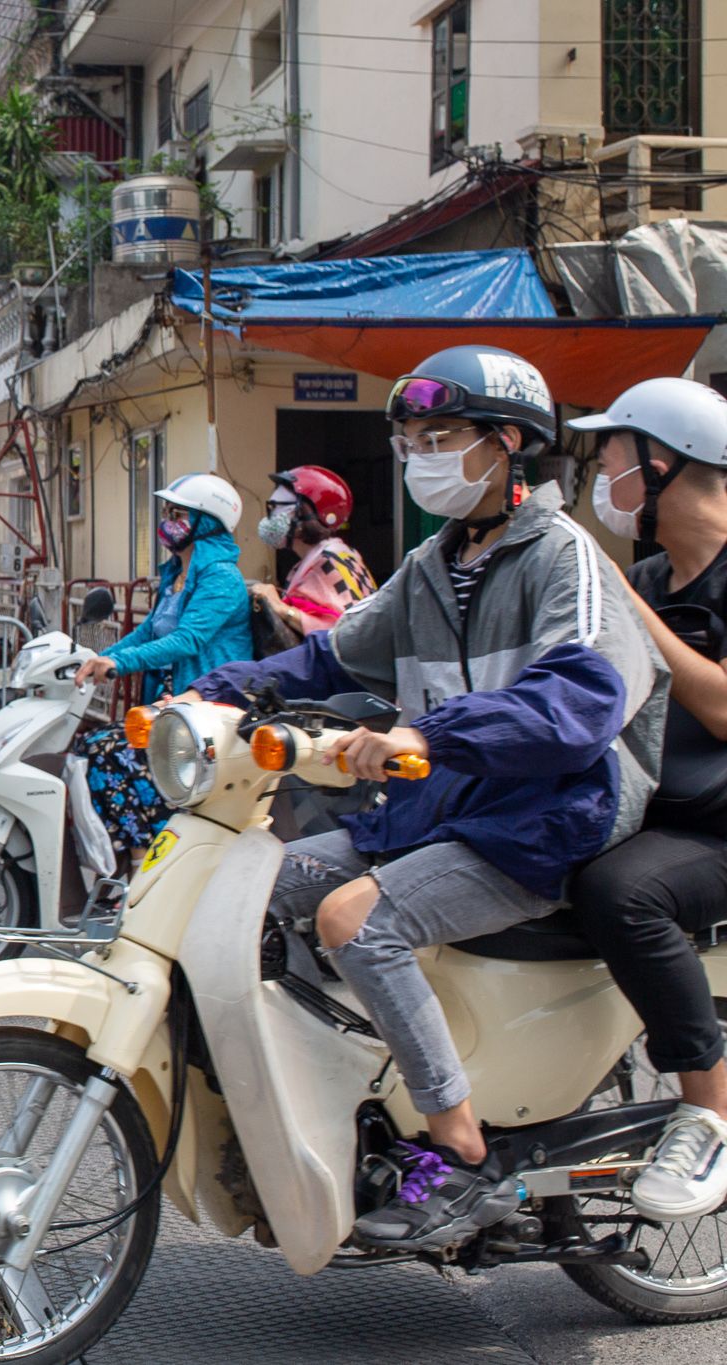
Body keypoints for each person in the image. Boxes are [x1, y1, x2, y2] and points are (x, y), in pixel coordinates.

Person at [180, 346, 666, 1250]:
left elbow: (580, 703)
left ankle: (459, 1147)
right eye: (409, 439)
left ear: (509, 443)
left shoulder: (570, 563)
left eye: (438, 436)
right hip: (444, 807)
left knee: (357, 920)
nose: (419, 456)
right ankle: (363, 1095)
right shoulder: (436, 564)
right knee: (256, 893)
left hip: (544, 821)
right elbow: (327, 655)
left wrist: (426, 736)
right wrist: (219, 691)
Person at [567, 376, 727, 1221]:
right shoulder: (653, 571)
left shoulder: (657, 585)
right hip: (655, 813)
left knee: (620, 893)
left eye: (611, 454)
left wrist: (633, 609)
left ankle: (709, 1109)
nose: (602, 472)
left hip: (717, 834)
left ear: (658, 467)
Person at [71, 473, 252, 861]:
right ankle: (136, 861)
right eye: (167, 511)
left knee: (113, 753)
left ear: (207, 523)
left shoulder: (221, 578)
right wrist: (96, 658)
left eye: (179, 514)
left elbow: (188, 639)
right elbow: (149, 631)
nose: (168, 521)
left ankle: (149, 860)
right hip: (175, 707)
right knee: (88, 748)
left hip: (209, 708)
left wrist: (119, 663)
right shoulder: (175, 576)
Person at [249, 465, 377, 643]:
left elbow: (342, 633)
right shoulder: (320, 561)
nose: (270, 518)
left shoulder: (330, 564)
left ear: (308, 514)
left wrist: (278, 607)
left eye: (279, 508)